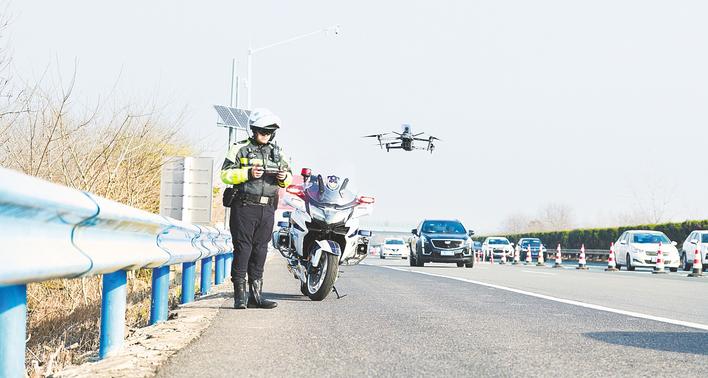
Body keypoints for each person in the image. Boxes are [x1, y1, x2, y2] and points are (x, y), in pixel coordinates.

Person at [220, 108, 292, 309]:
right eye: (262, 131)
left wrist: (283, 177)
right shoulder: (239, 148)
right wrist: (248, 173)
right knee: (243, 249)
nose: (265, 135)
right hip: (244, 205)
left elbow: (289, 177)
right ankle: (240, 297)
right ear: (253, 130)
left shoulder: (278, 152)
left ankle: (257, 297)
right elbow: (225, 175)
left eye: (269, 132)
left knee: (260, 250)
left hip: (267, 207)